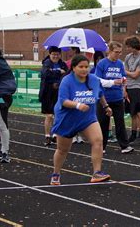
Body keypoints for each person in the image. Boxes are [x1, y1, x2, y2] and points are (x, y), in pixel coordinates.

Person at [50, 54, 112, 185]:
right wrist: (77, 105)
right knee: (63, 150)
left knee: (98, 141)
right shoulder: (67, 81)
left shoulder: (94, 80)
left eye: (86, 66)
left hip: (87, 118)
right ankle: (56, 174)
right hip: (67, 119)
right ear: (73, 68)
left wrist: (106, 106)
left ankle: (97, 173)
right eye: (81, 67)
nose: (84, 69)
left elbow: (100, 94)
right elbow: (63, 100)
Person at [95, 41, 134, 154]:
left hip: (117, 97)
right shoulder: (102, 64)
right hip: (104, 98)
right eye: (116, 52)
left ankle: (124, 146)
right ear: (110, 51)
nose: (118, 54)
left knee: (120, 122)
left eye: (120, 52)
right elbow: (97, 80)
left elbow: (123, 77)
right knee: (103, 123)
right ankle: (101, 147)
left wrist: (123, 86)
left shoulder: (120, 64)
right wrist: (112, 82)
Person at [39, 46, 68, 146]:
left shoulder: (63, 64)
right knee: (49, 115)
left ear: (60, 55)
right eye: (53, 54)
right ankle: (47, 135)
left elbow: (66, 75)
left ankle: (55, 134)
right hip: (47, 93)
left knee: (57, 114)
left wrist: (58, 82)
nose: (55, 56)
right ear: (50, 54)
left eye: (57, 54)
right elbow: (45, 75)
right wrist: (58, 72)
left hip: (59, 92)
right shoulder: (46, 63)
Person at [124, 36, 140, 144]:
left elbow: (135, 75)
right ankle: (133, 134)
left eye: (129, 47)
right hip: (128, 87)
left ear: (134, 46)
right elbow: (127, 73)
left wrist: (126, 72)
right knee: (132, 113)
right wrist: (124, 87)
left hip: (137, 87)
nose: (127, 49)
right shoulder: (128, 57)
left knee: (139, 113)